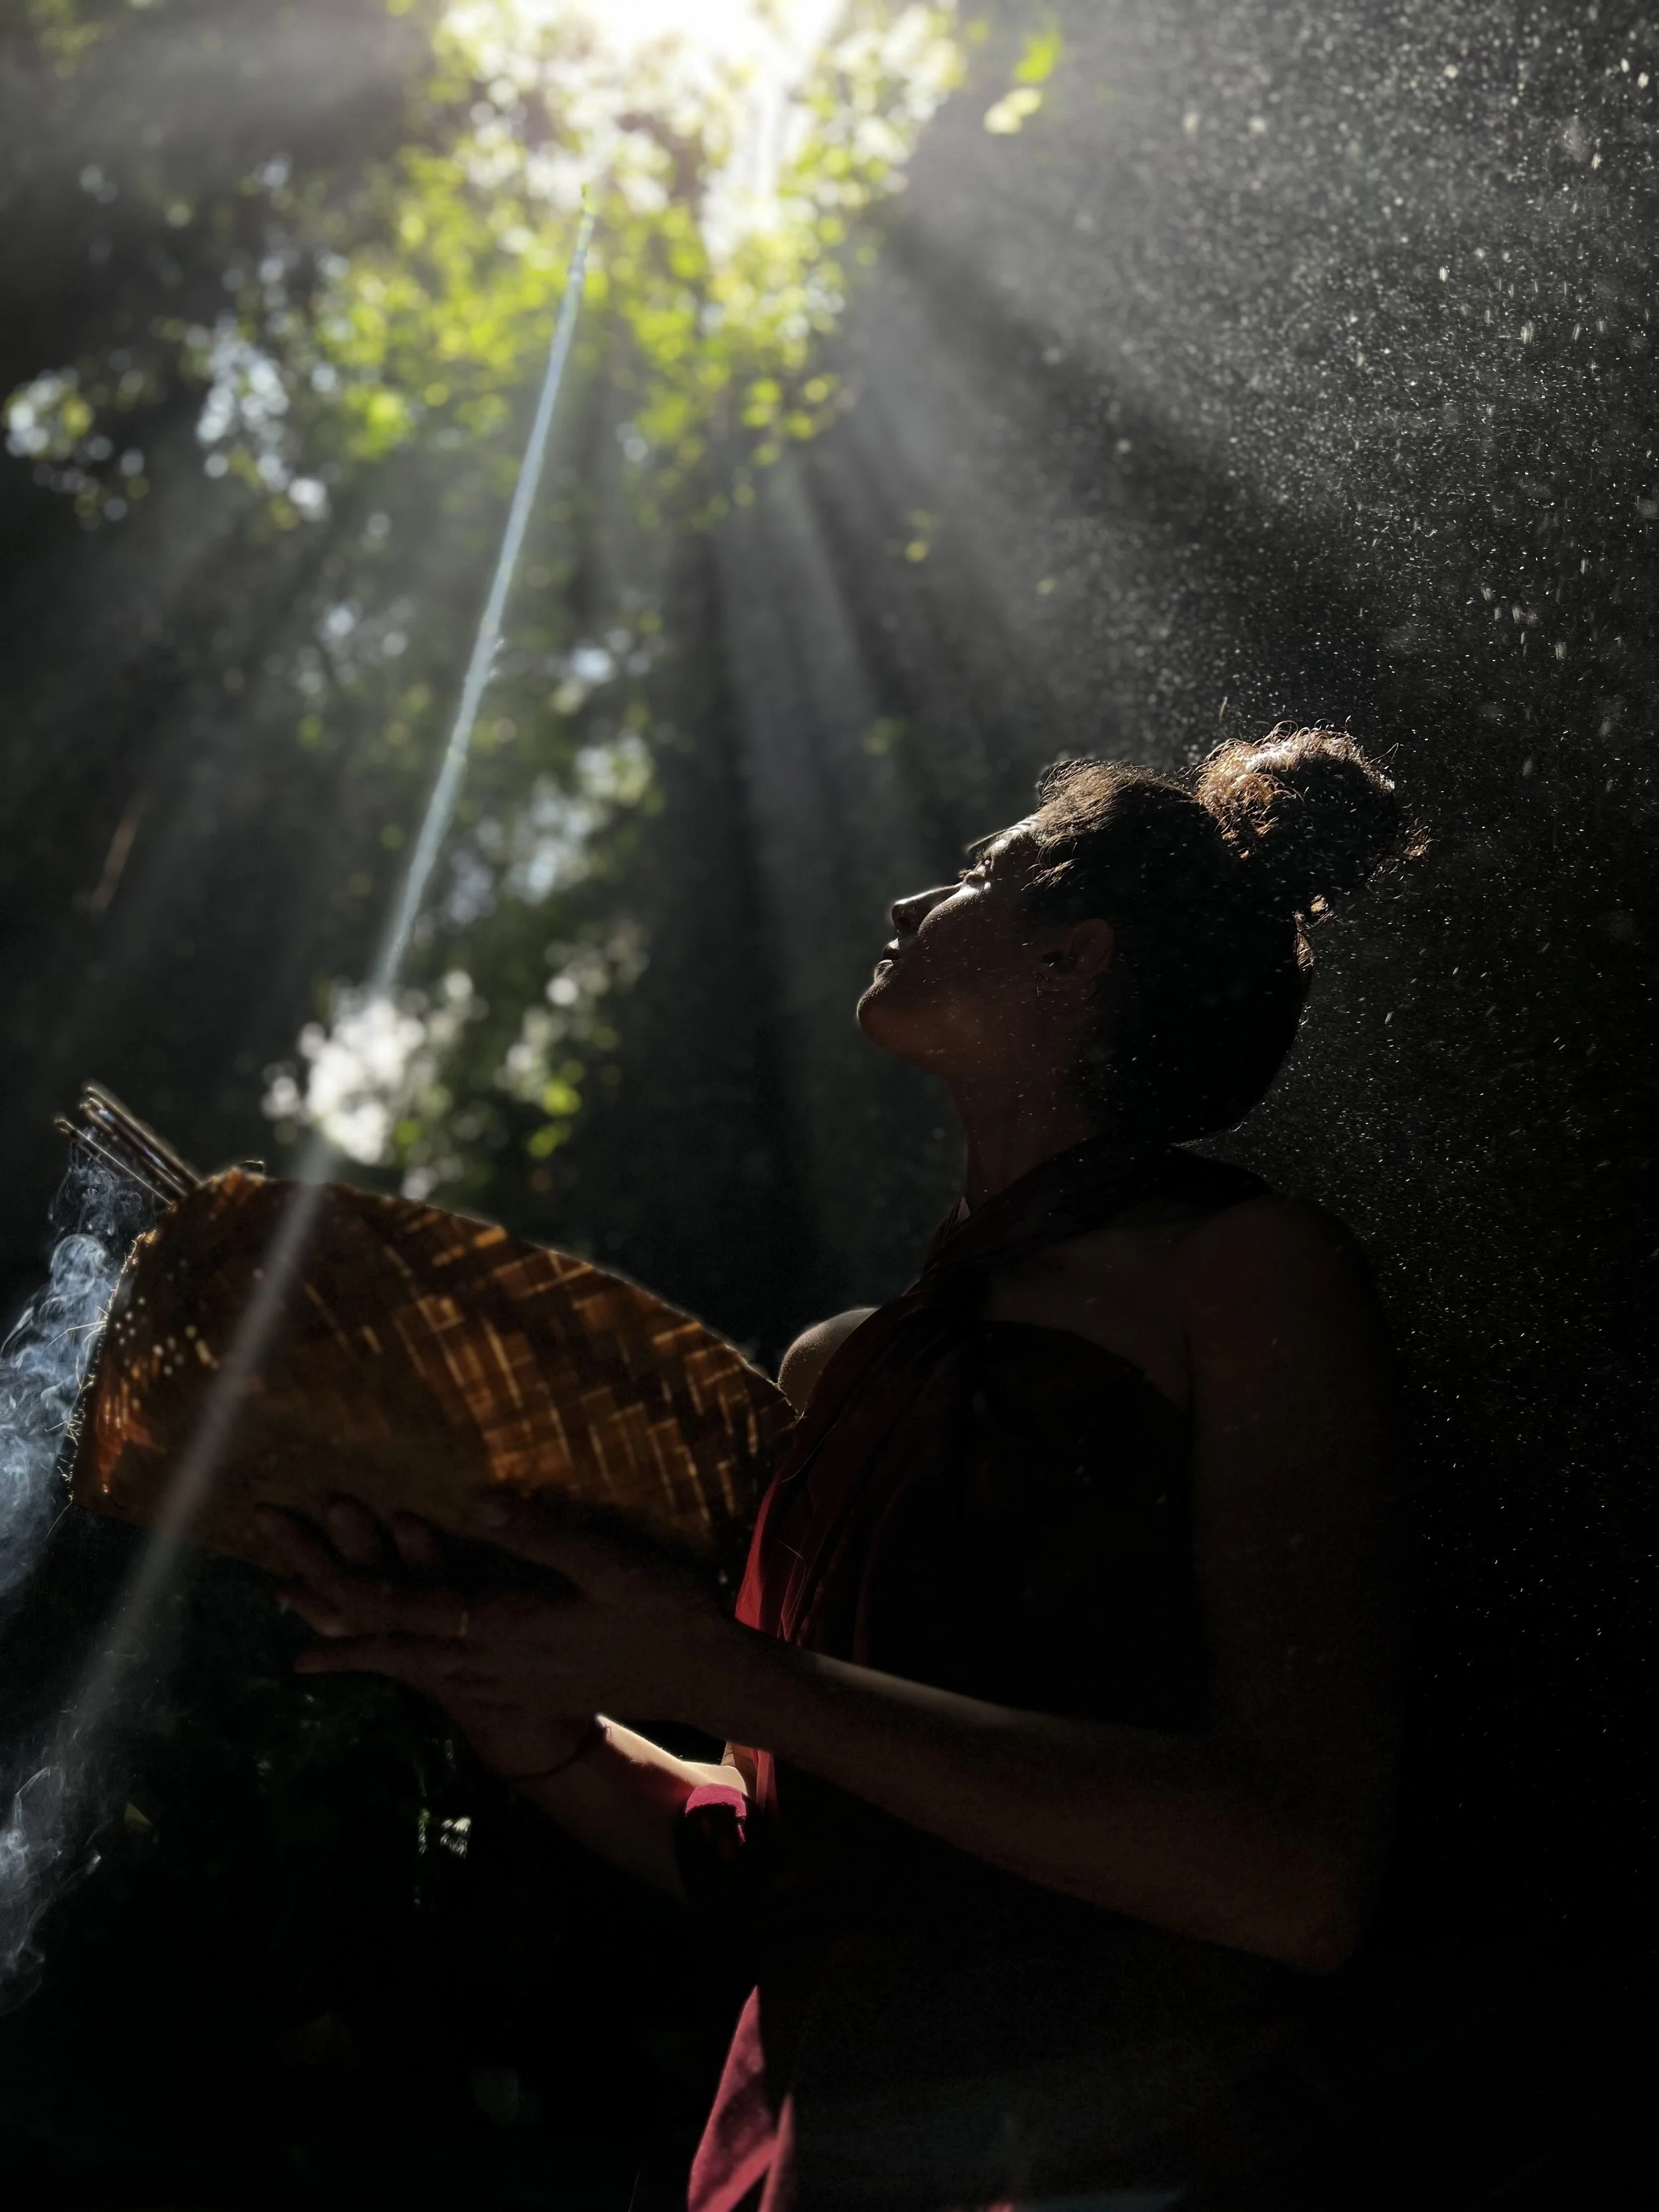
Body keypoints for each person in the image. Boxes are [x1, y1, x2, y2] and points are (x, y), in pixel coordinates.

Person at [266, 725, 1409, 2209]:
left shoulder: (1245, 1274)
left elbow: (1294, 1877)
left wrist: (720, 1672)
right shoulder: (834, 1371)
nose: (909, 903)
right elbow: (776, 1849)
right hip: (810, 2153)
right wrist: (523, 1701)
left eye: (980, 872)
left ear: (1074, 958)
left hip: (1116, 2160)